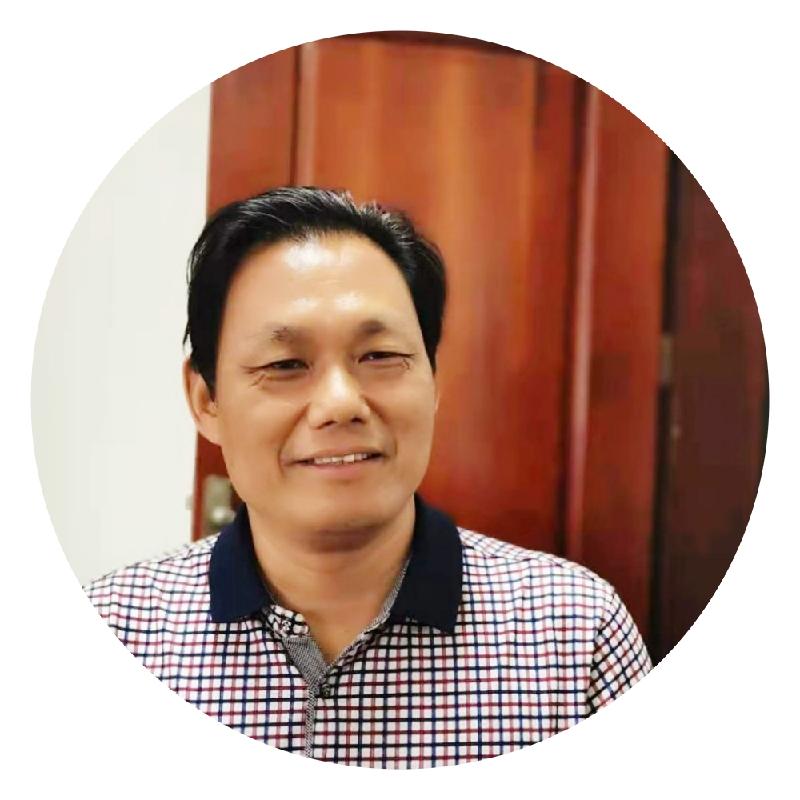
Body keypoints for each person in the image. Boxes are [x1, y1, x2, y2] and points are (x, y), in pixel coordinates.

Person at [85, 186, 651, 769]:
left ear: (433, 380)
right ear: (207, 400)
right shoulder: (113, 633)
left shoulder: (574, 633)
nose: (340, 403)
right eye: (285, 364)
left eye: (379, 356)